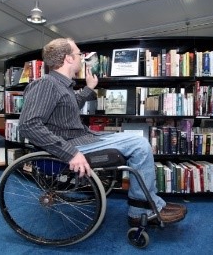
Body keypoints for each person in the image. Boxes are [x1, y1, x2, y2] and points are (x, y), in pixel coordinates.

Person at [18, 38, 187, 226]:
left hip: (83, 138)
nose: (82, 58)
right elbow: (28, 125)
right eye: (79, 54)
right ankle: (141, 211)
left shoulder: (60, 85)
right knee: (139, 145)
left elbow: (68, 108)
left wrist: (89, 88)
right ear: (68, 59)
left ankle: (148, 203)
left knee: (135, 140)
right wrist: (70, 153)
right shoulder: (46, 84)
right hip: (72, 145)